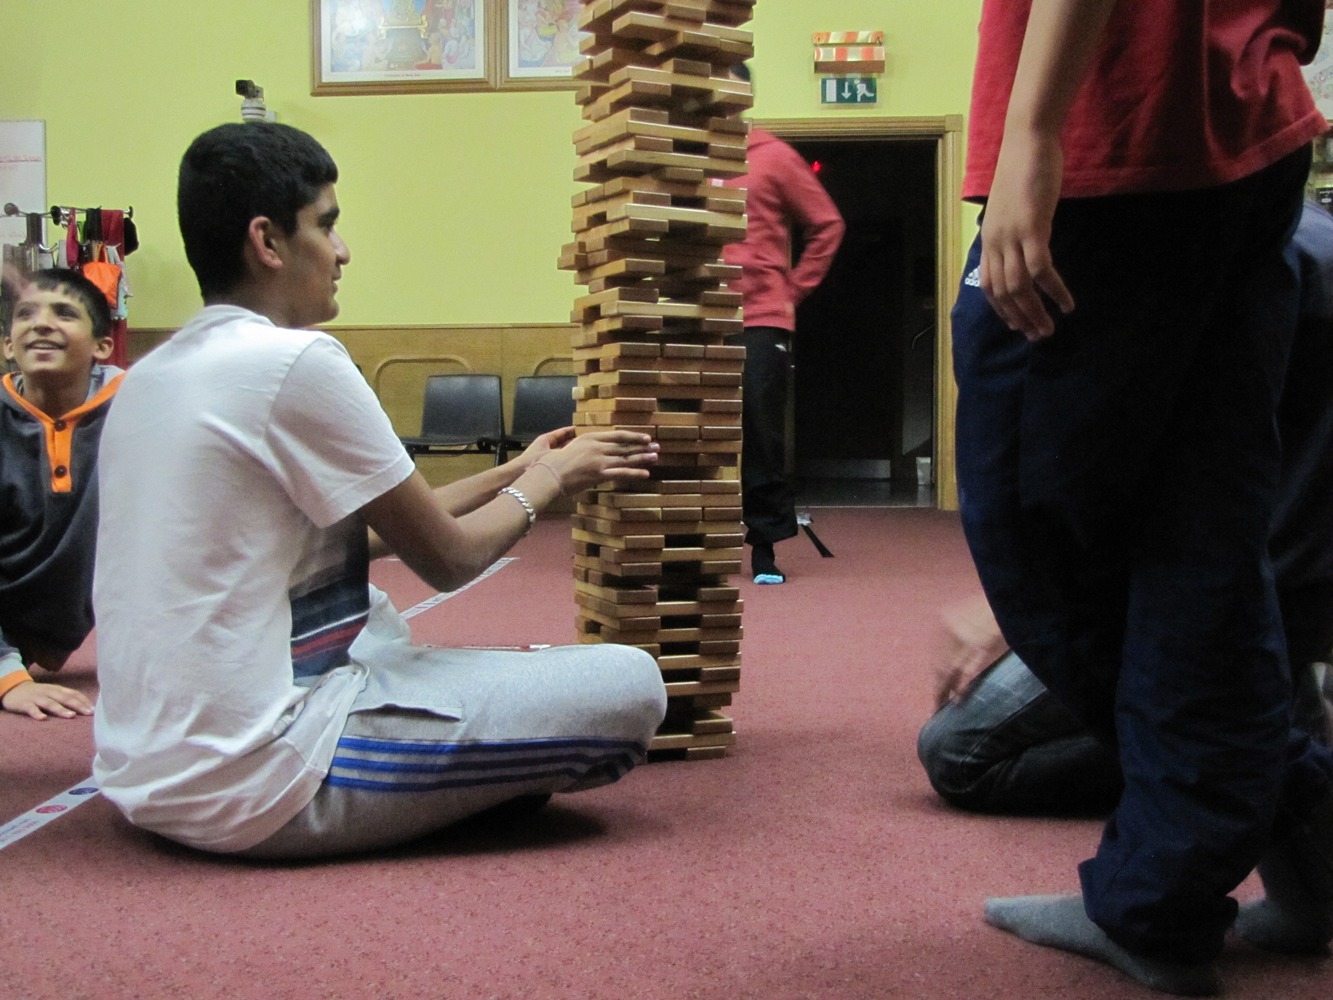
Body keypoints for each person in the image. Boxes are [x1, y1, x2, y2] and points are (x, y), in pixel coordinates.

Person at [91, 121, 667, 859]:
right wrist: (552, 480)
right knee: (628, 685)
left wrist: (518, 469)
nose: (342, 250)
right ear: (267, 242)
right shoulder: (293, 362)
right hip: (253, 786)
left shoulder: (150, 379)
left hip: (139, 766)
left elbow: (371, 531)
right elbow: (450, 561)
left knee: (376, 618)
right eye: (326, 226)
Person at [951, 1, 1333, 994]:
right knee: (1198, 527)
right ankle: (1175, 886)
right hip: (1248, 121)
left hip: (1118, 134)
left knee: (1031, 530)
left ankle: (1256, 819)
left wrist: (1036, 134)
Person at [923, 199, 1333, 816]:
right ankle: (1254, 731)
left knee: (958, 751)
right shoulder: (1284, 232)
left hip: (1221, 587)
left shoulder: (1201, 254)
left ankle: (1254, 758)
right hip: (1270, 576)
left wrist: (1033, 604)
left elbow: (1144, 466)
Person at [723, 62, 844, 584]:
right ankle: (684, 539)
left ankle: (766, 546)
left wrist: (792, 289)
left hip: (761, 318)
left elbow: (827, 224)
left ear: (745, 92)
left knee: (761, 432)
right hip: (696, 318)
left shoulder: (773, 157)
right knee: (688, 434)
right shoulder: (684, 156)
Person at [1, 268, 121, 720]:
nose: (41, 323)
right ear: (8, 345)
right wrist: (7, 677)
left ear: (102, 346)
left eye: (64, 313)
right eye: (25, 314)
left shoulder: (138, 406)